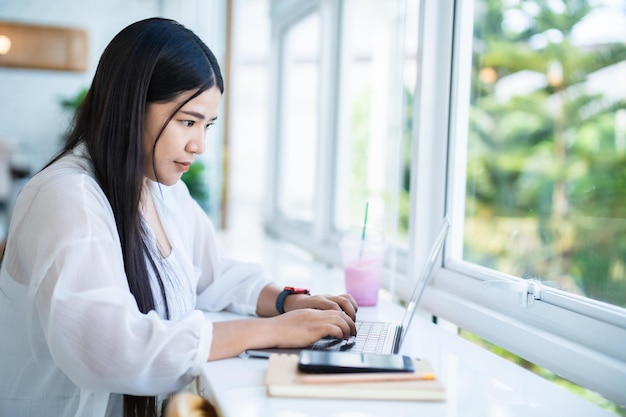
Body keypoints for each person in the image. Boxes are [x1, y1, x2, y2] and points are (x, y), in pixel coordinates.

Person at [0, 17, 357, 417]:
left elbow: (214, 272)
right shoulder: (67, 196)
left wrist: (288, 301)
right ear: (131, 105)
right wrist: (274, 332)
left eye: (207, 125)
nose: (199, 144)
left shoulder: (160, 190)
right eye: (188, 121)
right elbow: (113, 349)